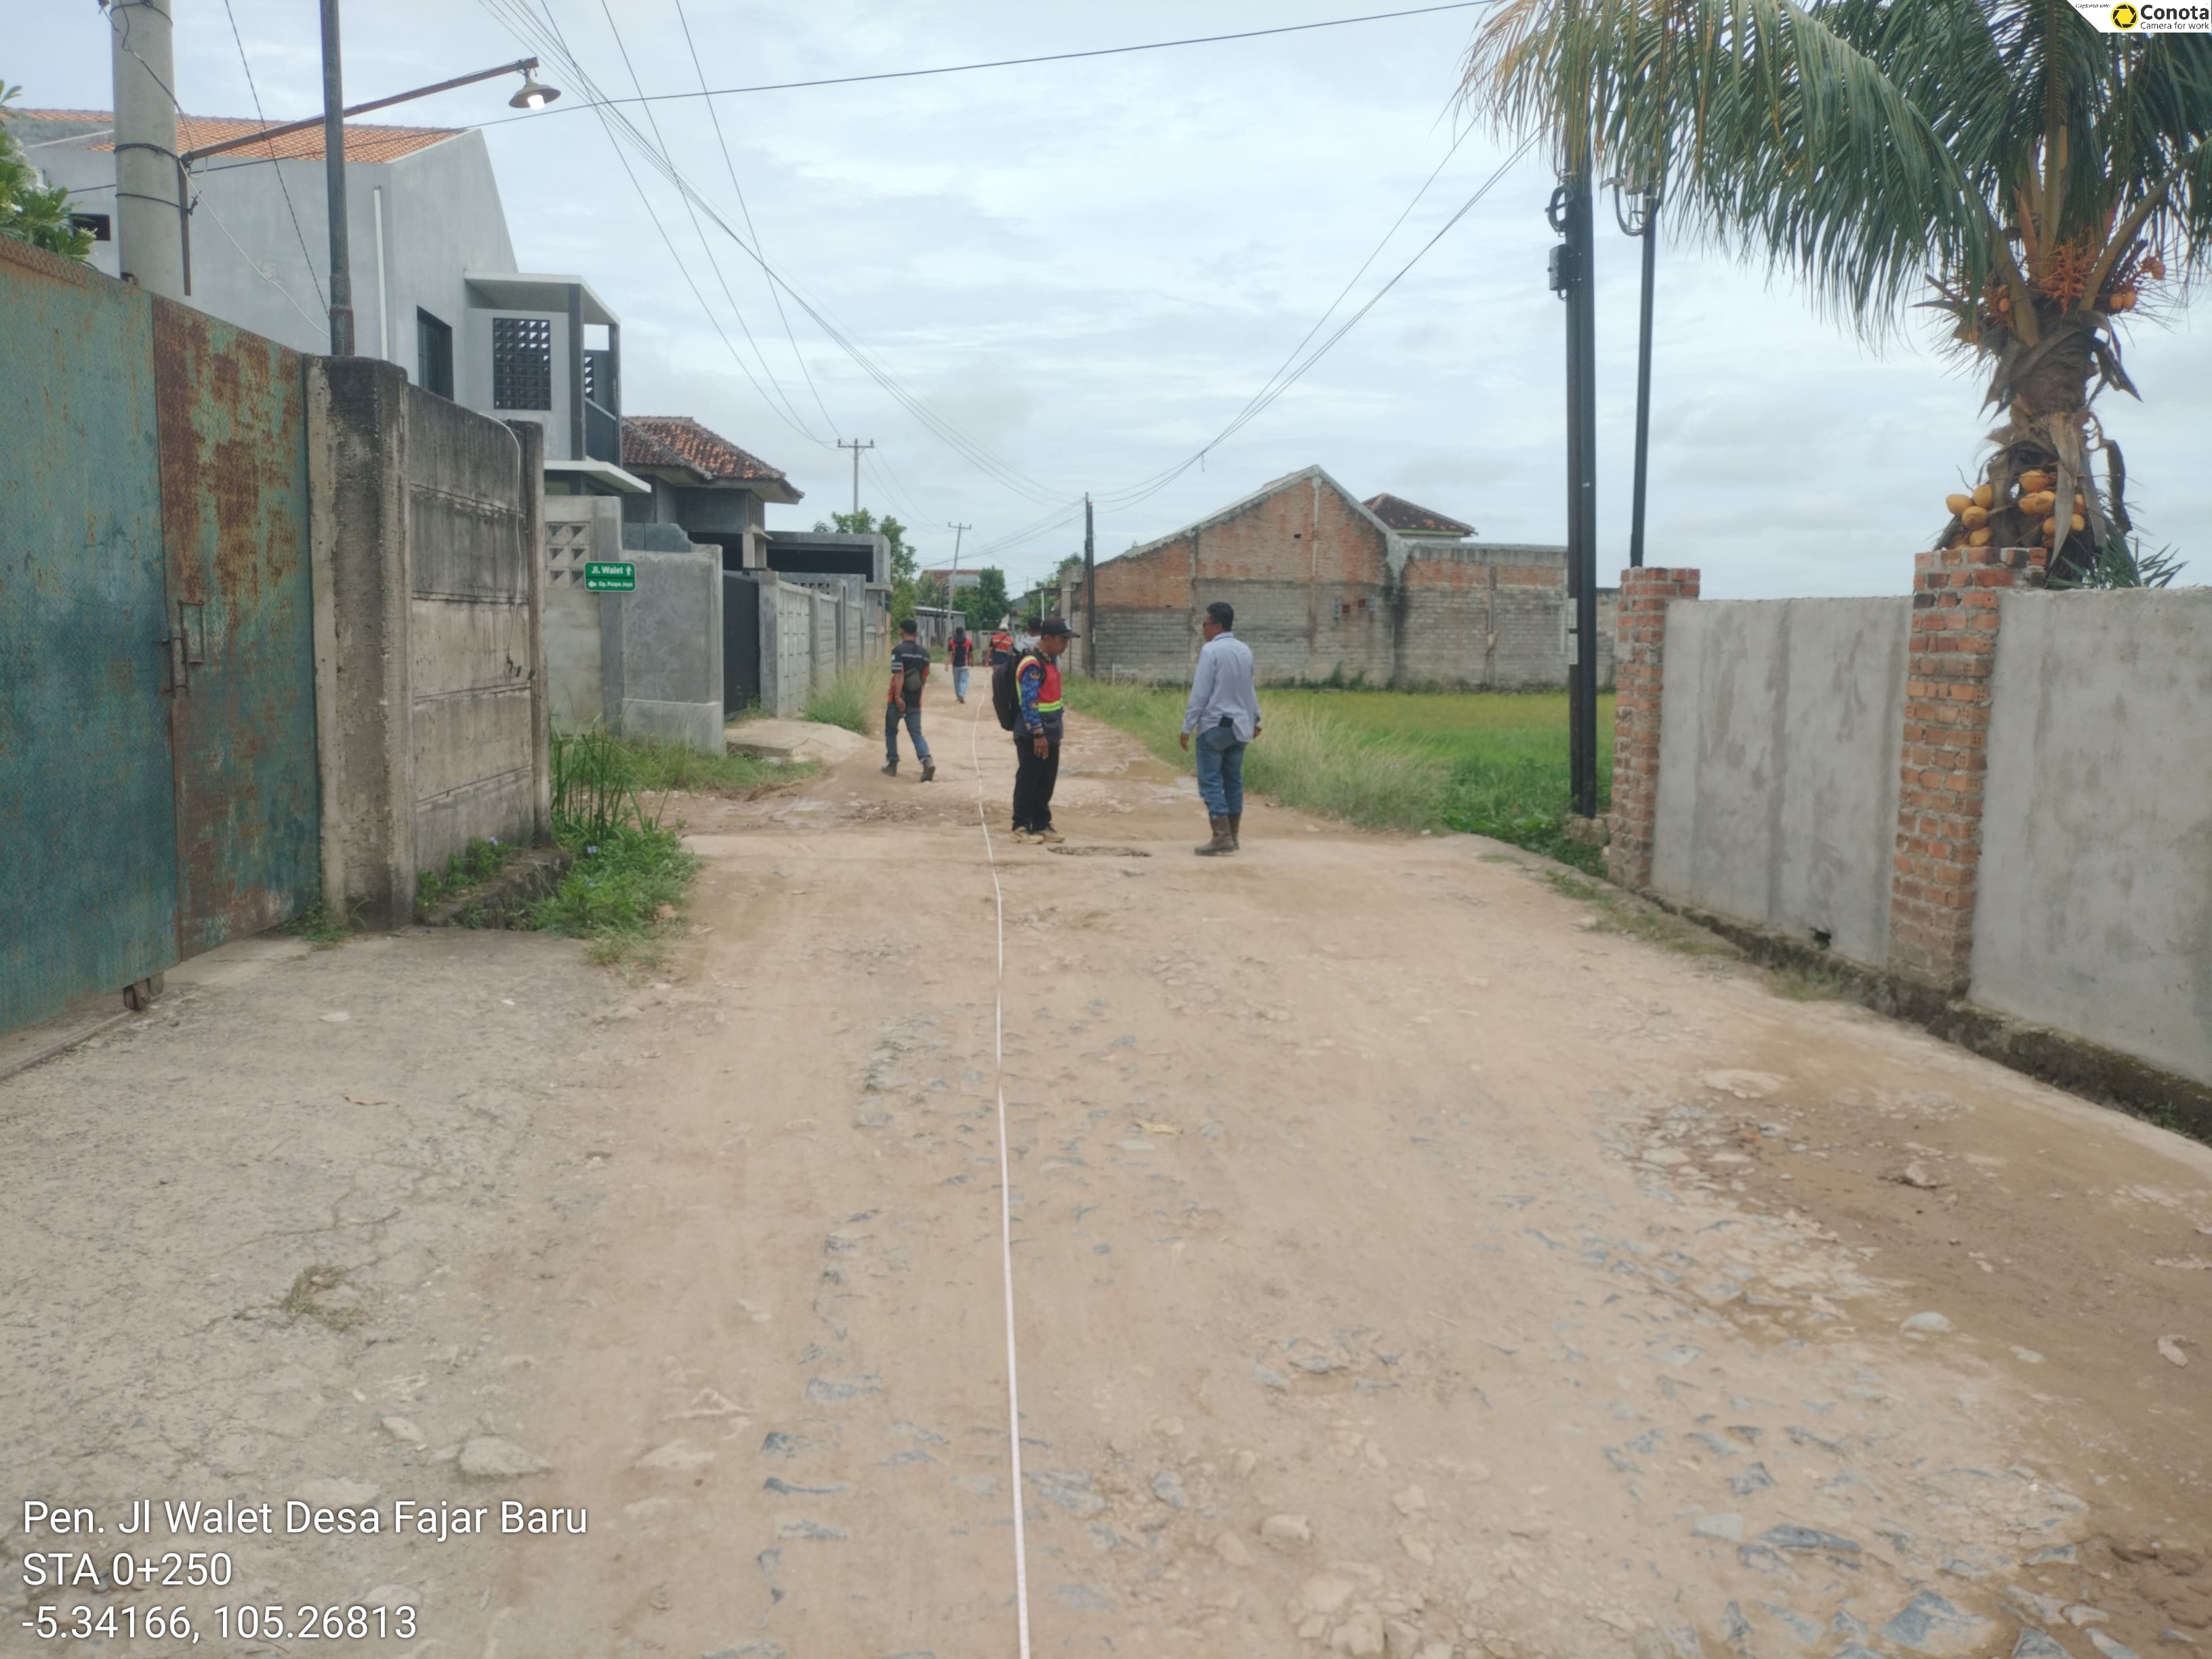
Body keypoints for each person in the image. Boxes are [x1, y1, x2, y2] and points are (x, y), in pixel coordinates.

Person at [1179, 600, 1261, 855]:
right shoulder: (1245, 650)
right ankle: (1233, 835)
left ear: (1216, 625)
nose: (1202, 629)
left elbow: (1200, 693)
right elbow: (1248, 689)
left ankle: (1221, 835)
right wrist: (1256, 719)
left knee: (1211, 781)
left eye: (1204, 624)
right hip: (1241, 728)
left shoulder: (1211, 651)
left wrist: (1187, 726)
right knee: (1233, 781)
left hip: (1215, 726)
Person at [1011, 617, 1075, 844]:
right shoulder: (1032, 664)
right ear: (1047, 638)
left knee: (1046, 782)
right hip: (1034, 735)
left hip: (1052, 732)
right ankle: (1021, 826)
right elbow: (1029, 703)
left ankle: (1041, 823)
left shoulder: (1051, 662)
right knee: (1029, 780)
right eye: (1062, 640)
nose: (1065, 645)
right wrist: (1038, 734)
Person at [883, 617, 935, 781]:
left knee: (891, 731)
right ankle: (926, 761)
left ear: (901, 632)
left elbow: (899, 675)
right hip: (915, 700)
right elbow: (924, 678)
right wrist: (918, 695)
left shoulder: (898, 651)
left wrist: (898, 697)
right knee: (916, 733)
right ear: (916, 634)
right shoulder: (925, 654)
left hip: (897, 699)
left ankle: (892, 764)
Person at [948, 626, 972, 704]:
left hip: (955, 665)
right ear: (963, 633)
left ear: (956, 633)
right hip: (965, 664)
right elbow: (971, 653)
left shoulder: (952, 642)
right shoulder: (968, 642)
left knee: (957, 681)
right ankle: (962, 694)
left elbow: (950, 654)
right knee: (964, 681)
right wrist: (972, 662)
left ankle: (959, 696)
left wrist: (947, 664)